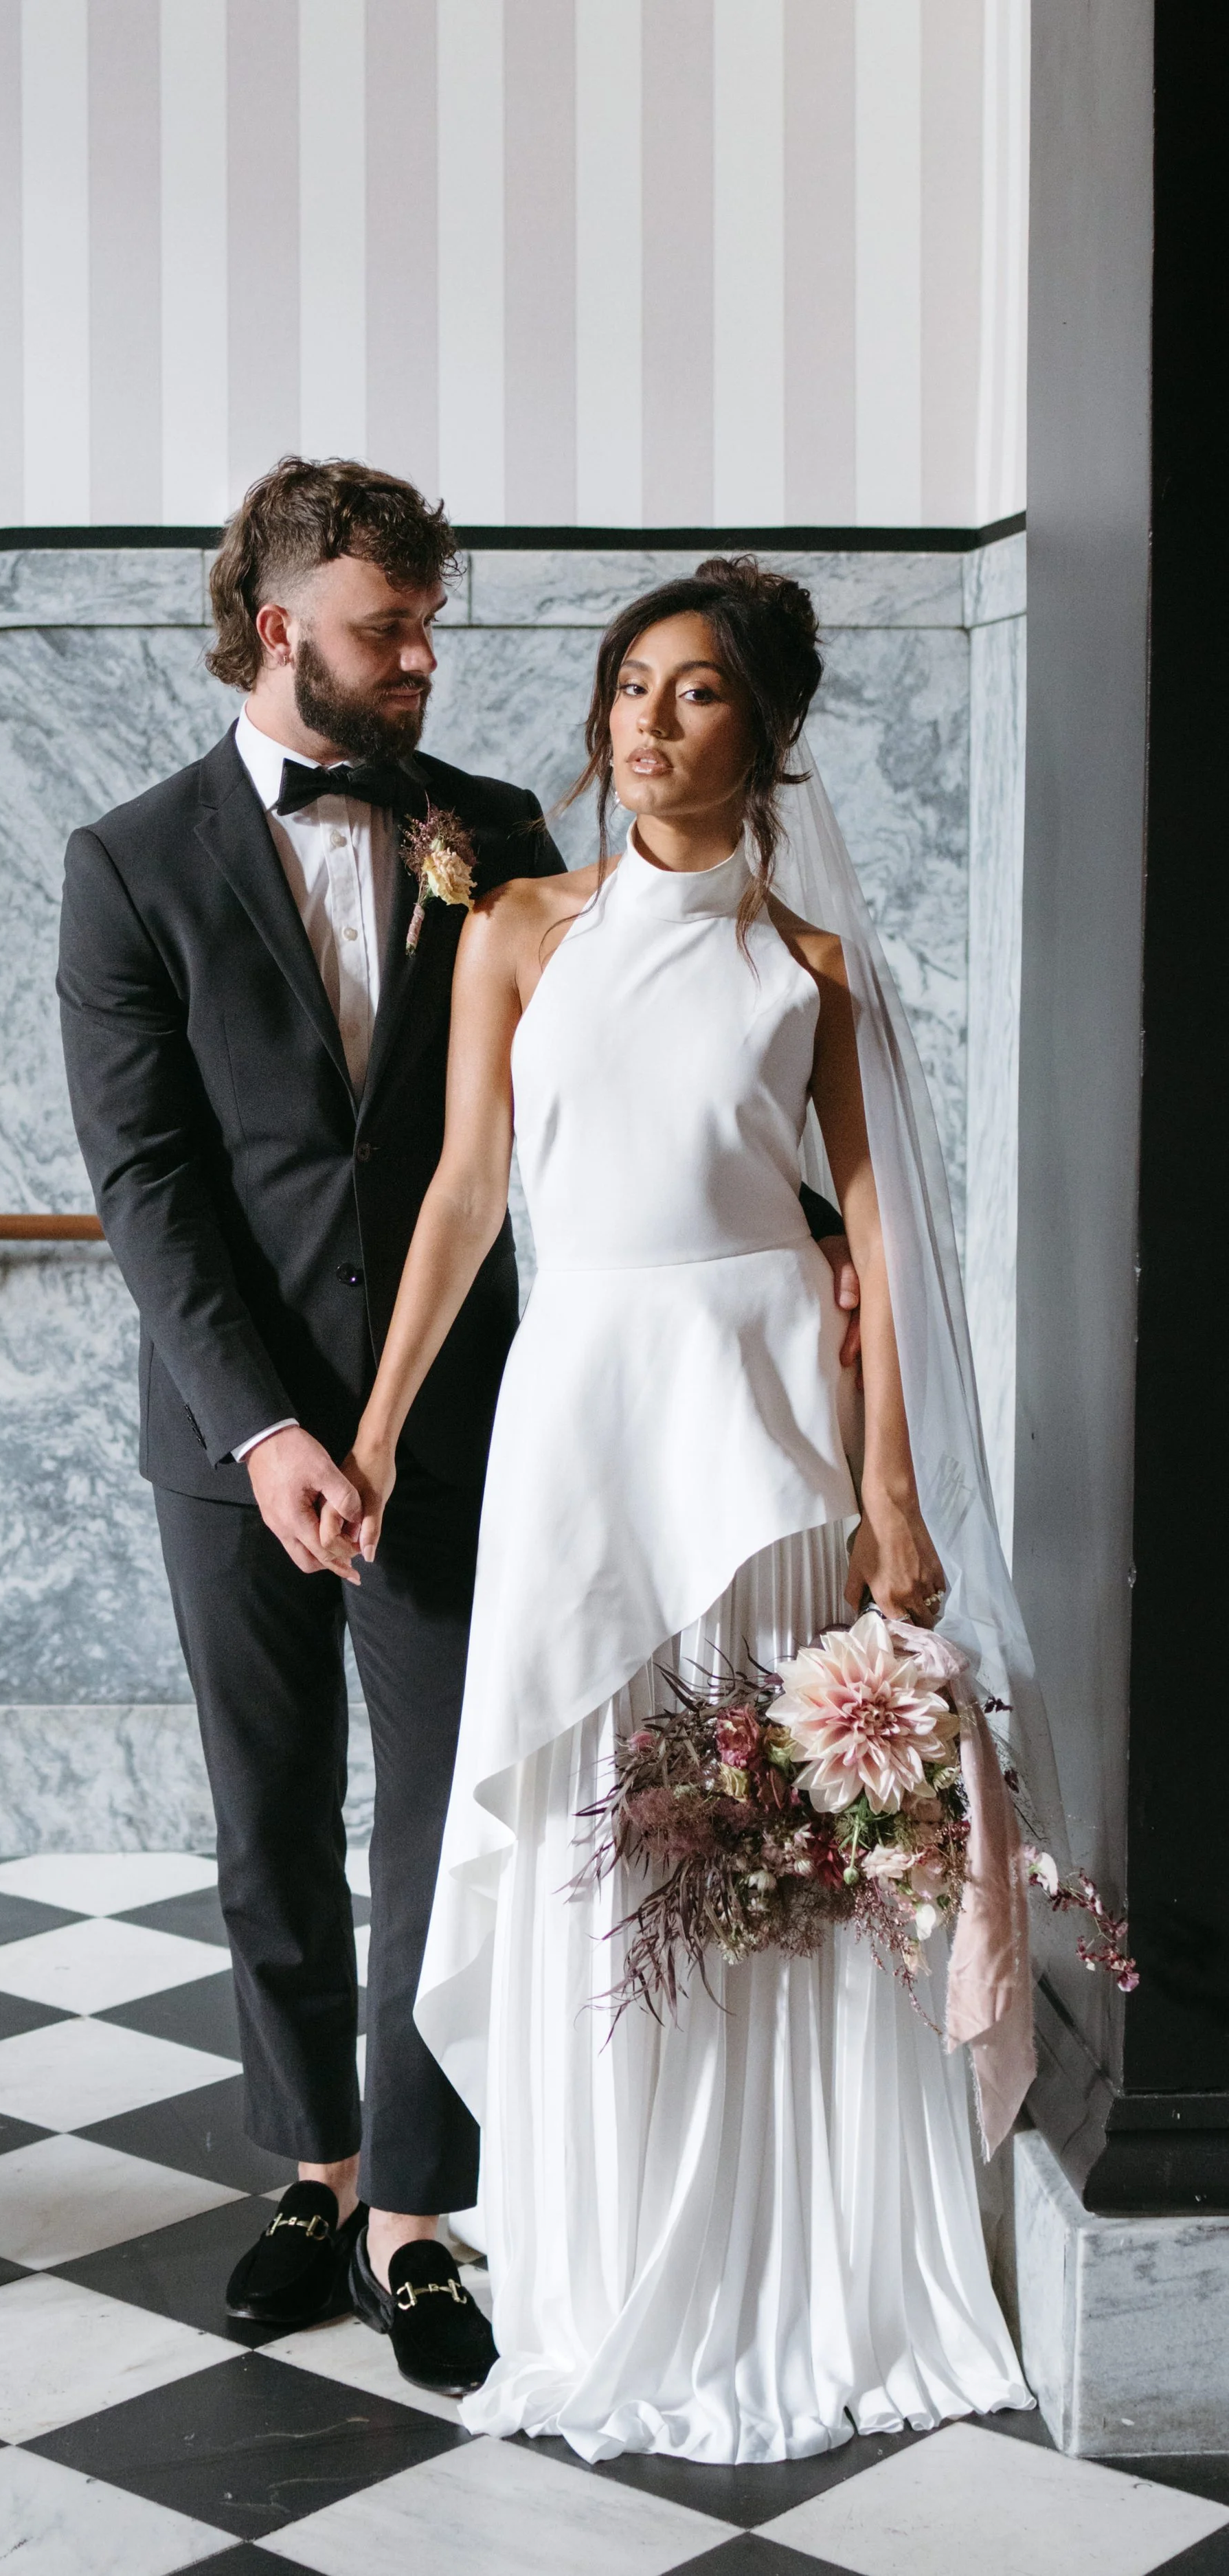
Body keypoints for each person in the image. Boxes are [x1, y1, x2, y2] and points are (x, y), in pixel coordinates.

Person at [57, 460, 862, 2397]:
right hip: (230, 1436)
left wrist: (824, 1237)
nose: (424, 658)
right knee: (266, 1815)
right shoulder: (127, 862)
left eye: (431, 622)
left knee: (443, 1804)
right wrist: (264, 1428)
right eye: (384, 629)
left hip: (479, 1421)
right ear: (278, 631)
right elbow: (147, 1181)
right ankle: (311, 2167)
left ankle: (419, 2205)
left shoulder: (493, 838)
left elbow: (628, 1085)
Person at [332, 557, 1038, 2459]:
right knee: (594, 1842)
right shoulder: (517, 931)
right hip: (580, 1415)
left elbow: (880, 1240)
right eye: (629, 683)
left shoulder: (805, 971)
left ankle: (778, 2255)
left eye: (697, 689)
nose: (648, 717)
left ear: (769, 731)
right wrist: (383, 1424)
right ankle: (598, 2245)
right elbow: (469, 1194)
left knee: (763, 1865)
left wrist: (890, 1491)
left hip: (756, 1429)